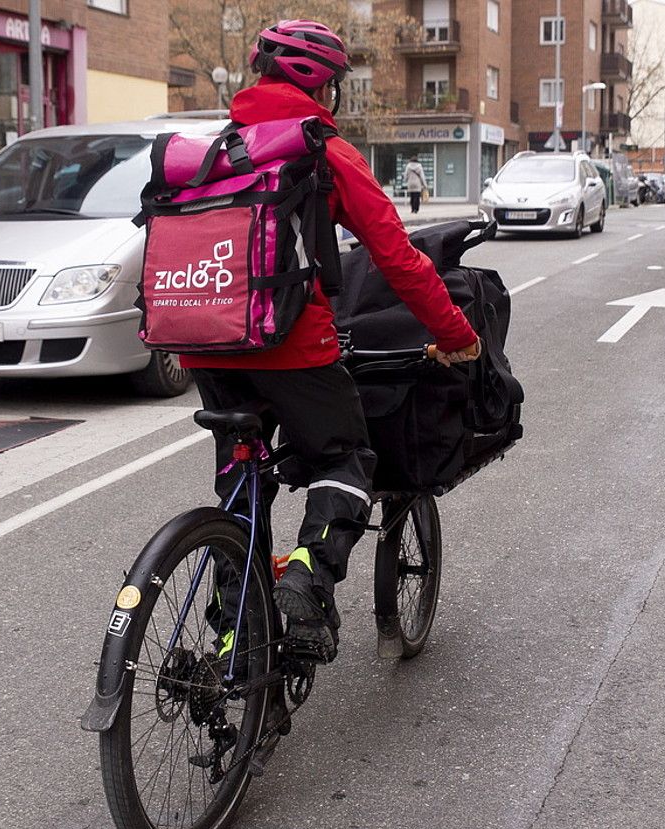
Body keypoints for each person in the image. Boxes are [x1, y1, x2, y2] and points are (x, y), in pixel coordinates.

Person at [186, 19, 481, 664]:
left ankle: (236, 636)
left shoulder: (216, 153)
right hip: (292, 346)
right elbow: (399, 259)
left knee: (244, 481)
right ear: (322, 85)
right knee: (346, 457)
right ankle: (308, 580)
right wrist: (455, 335)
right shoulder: (321, 153)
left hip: (205, 345)